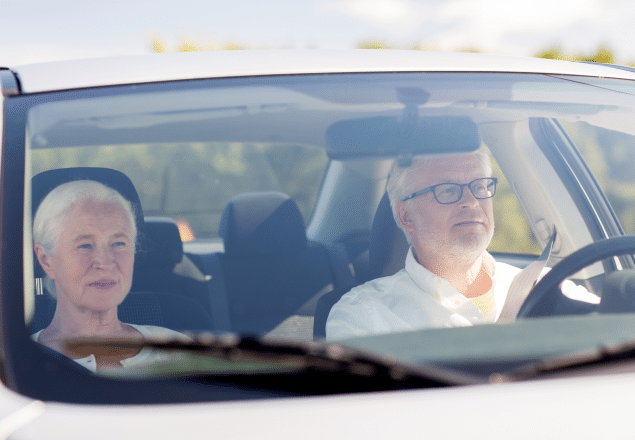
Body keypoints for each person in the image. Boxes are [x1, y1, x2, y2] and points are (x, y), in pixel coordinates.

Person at [326, 149, 598, 339]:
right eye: (447, 190)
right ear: (406, 216)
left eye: (479, 186)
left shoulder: (544, 287)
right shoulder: (363, 315)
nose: (471, 200)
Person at [32, 180, 187, 372]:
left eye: (119, 243)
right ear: (47, 260)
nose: (105, 262)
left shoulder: (180, 351)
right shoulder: (14, 363)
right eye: (85, 245)